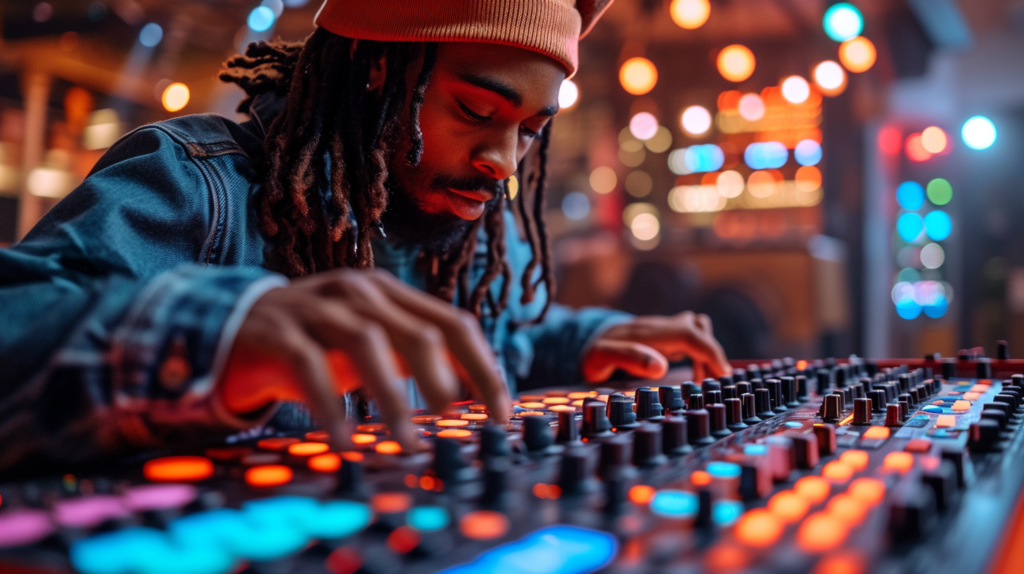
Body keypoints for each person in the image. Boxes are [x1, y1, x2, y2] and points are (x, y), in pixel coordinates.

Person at [0, 0, 729, 471]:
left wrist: (590, 339)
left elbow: (506, 341)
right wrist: (222, 333)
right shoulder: (192, 182)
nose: (502, 164)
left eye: (530, 133)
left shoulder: (462, 235)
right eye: (476, 109)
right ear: (379, 70)